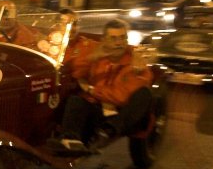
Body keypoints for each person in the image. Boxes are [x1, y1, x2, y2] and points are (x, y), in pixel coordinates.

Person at [49, 18, 153, 153]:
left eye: (122, 38)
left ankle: (108, 132)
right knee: (75, 100)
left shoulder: (136, 63)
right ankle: (70, 139)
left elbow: (121, 97)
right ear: (104, 40)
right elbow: (76, 73)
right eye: (113, 38)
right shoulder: (98, 56)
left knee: (145, 94)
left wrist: (92, 90)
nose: (119, 43)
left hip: (122, 116)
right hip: (98, 110)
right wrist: (92, 58)